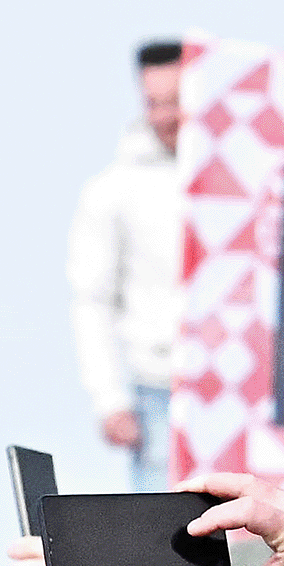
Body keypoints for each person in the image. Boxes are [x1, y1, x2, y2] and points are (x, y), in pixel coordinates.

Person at [73, 41, 192, 487]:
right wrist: (109, 399)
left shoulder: (244, 179)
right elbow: (92, 299)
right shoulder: (113, 190)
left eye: (176, 101)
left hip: (241, 394)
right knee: (168, 537)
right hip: (158, 391)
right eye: (153, 103)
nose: (165, 115)